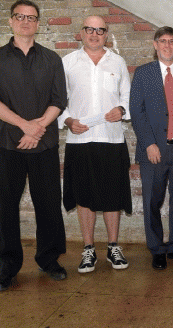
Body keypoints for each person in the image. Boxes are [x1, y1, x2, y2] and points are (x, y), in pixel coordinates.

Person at [0, 0, 68, 292]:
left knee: (48, 204)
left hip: (44, 144)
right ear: (10, 21)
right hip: (8, 144)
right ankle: (6, 268)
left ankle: (49, 260)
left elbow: (59, 100)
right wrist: (24, 125)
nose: (25, 21)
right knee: (4, 207)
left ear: (38, 23)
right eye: (20, 16)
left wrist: (37, 129)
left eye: (31, 17)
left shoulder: (52, 59)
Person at [59, 16, 132, 273]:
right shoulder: (68, 62)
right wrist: (68, 120)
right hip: (80, 139)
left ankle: (113, 247)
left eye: (100, 30)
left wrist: (121, 110)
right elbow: (58, 100)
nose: (95, 34)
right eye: (90, 29)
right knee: (83, 194)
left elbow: (127, 96)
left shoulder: (117, 62)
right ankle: (88, 249)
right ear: (81, 32)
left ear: (106, 34)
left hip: (111, 138)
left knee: (113, 194)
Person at [129, 26, 173, 270]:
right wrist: (149, 143)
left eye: (172, 41)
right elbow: (136, 111)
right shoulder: (143, 73)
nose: (167, 45)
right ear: (155, 44)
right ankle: (157, 248)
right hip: (154, 149)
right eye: (163, 41)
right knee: (152, 200)